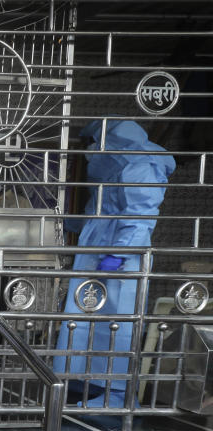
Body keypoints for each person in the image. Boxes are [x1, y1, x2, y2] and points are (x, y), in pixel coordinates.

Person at [54, 120, 175, 408]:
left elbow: (140, 216)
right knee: (88, 319)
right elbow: (99, 210)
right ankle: (88, 387)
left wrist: (119, 253)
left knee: (117, 322)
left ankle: (118, 395)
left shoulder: (142, 163)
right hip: (99, 250)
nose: (92, 151)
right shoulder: (119, 165)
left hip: (120, 258)